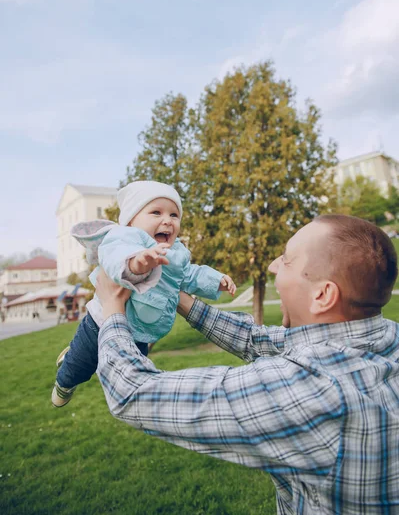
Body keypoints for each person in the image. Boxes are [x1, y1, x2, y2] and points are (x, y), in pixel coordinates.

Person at [95, 214, 398, 514]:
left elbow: (133, 392)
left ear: (322, 295)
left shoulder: (310, 391)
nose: (272, 266)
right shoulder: (385, 337)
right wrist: (177, 296)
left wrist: (112, 306)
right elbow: (256, 340)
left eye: (287, 260)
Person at [52, 180, 236, 408]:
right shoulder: (124, 238)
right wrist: (137, 262)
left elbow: (189, 275)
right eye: (156, 212)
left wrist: (216, 280)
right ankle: (64, 382)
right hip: (100, 323)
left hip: (141, 335)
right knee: (80, 367)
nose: (167, 220)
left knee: (129, 379)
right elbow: (115, 257)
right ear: (131, 220)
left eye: (174, 215)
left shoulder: (176, 252)